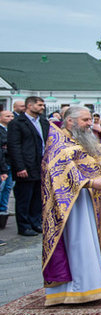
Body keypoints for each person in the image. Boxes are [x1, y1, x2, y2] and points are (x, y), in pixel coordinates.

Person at [41, 106, 101, 306]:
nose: (89, 123)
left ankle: (93, 284)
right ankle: (77, 289)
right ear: (70, 122)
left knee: (90, 240)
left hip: (89, 198)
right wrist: (91, 183)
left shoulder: (83, 139)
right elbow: (61, 171)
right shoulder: (57, 142)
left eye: (89, 119)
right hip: (71, 204)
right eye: (85, 120)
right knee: (79, 241)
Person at [7, 96, 49, 236]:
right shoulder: (18, 123)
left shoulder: (43, 122)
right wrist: (20, 167)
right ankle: (24, 225)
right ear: (29, 106)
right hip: (26, 165)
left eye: (43, 105)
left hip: (40, 164)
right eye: (39, 105)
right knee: (24, 197)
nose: (42, 107)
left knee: (37, 196)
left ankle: (35, 222)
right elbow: (14, 146)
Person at [0, 110, 14, 229]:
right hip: (3, 164)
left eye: (12, 116)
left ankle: (3, 212)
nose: (10, 118)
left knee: (7, 189)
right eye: (7, 116)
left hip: (10, 162)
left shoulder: (11, 130)